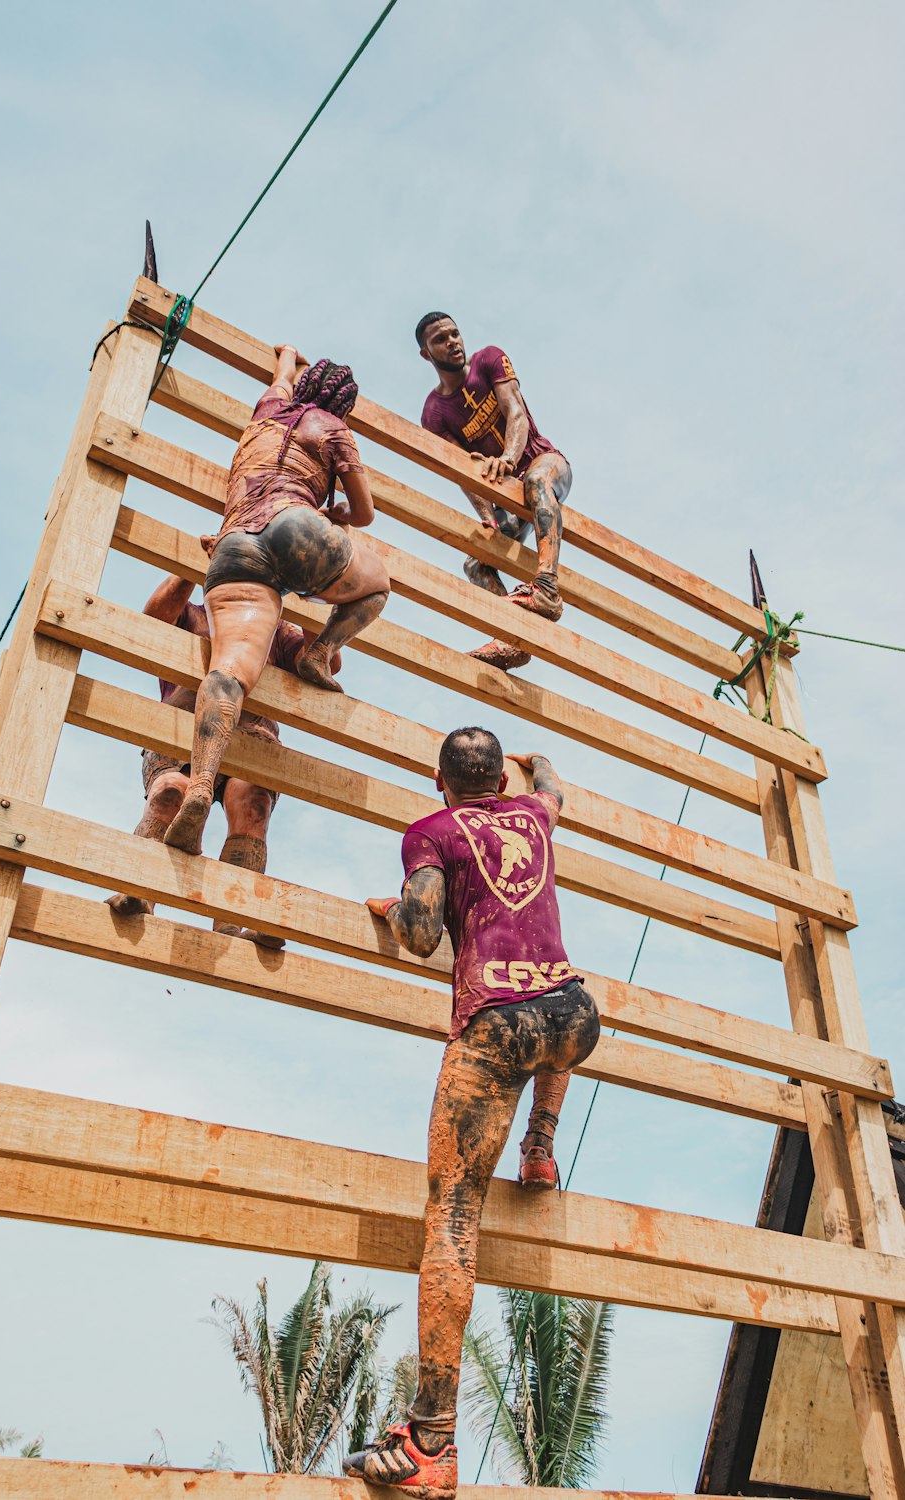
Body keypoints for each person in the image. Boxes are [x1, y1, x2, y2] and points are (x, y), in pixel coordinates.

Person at [346, 727, 599, 1496]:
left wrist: (399, 908)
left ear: (439, 781)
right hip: (575, 1016)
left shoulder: (431, 832)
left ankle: (430, 1443)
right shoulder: (536, 815)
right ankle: (541, 1146)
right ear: (502, 779)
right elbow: (555, 781)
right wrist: (530, 760)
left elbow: (422, 937)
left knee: (452, 1217)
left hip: (496, 1025)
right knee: (554, 1024)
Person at [163, 345, 390, 855]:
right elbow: (365, 510)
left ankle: (200, 785)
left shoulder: (269, 409)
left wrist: (287, 355)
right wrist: (338, 519)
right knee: (377, 586)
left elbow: (281, 375)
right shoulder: (331, 427)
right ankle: (317, 652)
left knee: (229, 670)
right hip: (294, 519)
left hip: (234, 542)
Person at [107, 571, 338, 947]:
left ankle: (233, 917)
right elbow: (152, 619)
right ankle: (138, 889)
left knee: (252, 805)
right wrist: (191, 565)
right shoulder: (193, 614)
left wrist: (309, 590)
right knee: (172, 792)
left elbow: (327, 660)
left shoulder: (276, 630)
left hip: (252, 736)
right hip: (183, 728)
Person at [416, 313, 572, 671]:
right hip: (505, 494)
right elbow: (462, 471)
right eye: (440, 339)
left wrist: (508, 457)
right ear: (426, 354)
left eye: (455, 333)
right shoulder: (434, 413)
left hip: (541, 461)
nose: (452, 342)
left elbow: (515, 412)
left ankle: (546, 587)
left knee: (535, 482)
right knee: (476, 562)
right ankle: (514, 638)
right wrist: (487, 517)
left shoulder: (488, 359)